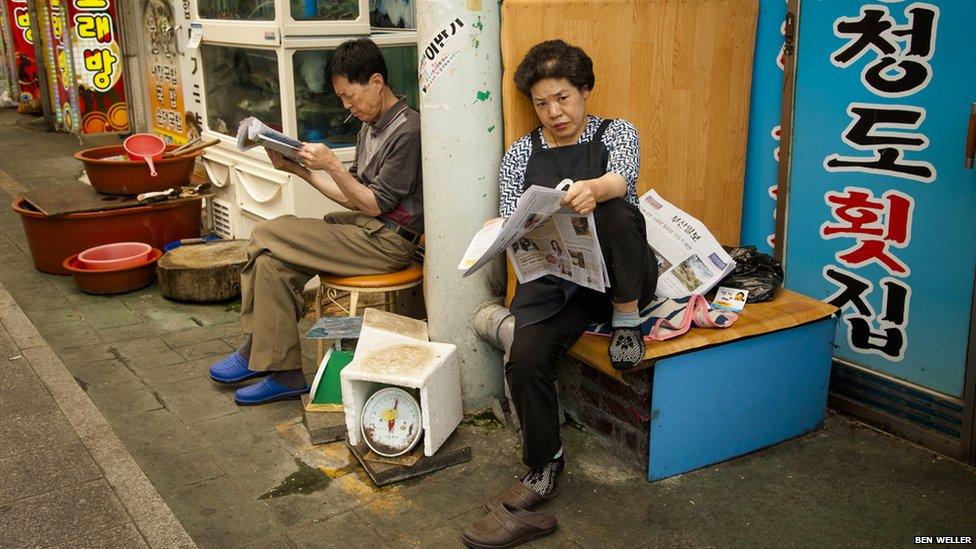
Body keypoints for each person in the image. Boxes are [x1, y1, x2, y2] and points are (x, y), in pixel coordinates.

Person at [463, 39, 658, 548]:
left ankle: (626, 321)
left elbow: (624, 180)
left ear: (585, 90)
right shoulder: (520, 154)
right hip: (555, 282)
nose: (555, 113)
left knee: (615, 210)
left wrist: (597, 189)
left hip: (620, 278)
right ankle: (544, 463)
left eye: (565, 98)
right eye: (543, 103)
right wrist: (500, 229)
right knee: (524, 359)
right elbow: (510, 216)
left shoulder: (617, 133)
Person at [208, 38, 423, 405]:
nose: (347, 106)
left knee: (263, 232)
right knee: (270, 264)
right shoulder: (370, 125)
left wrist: (332, 165)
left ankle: (253, 349)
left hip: (388, 243)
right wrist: (300, 170)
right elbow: (350, 194)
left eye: (349, 96)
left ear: (376, 81)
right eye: (341, 98)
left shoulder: (408, 131)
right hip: (362, 230)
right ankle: (285, 372)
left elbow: (372, 204)